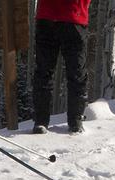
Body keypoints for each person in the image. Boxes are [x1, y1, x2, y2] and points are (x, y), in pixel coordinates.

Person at [30, 0, 92, 134]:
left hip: (48, 16)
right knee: (76, 73)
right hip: (73, 15)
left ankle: (41, 121)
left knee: (44, 72)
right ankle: (75, 121)